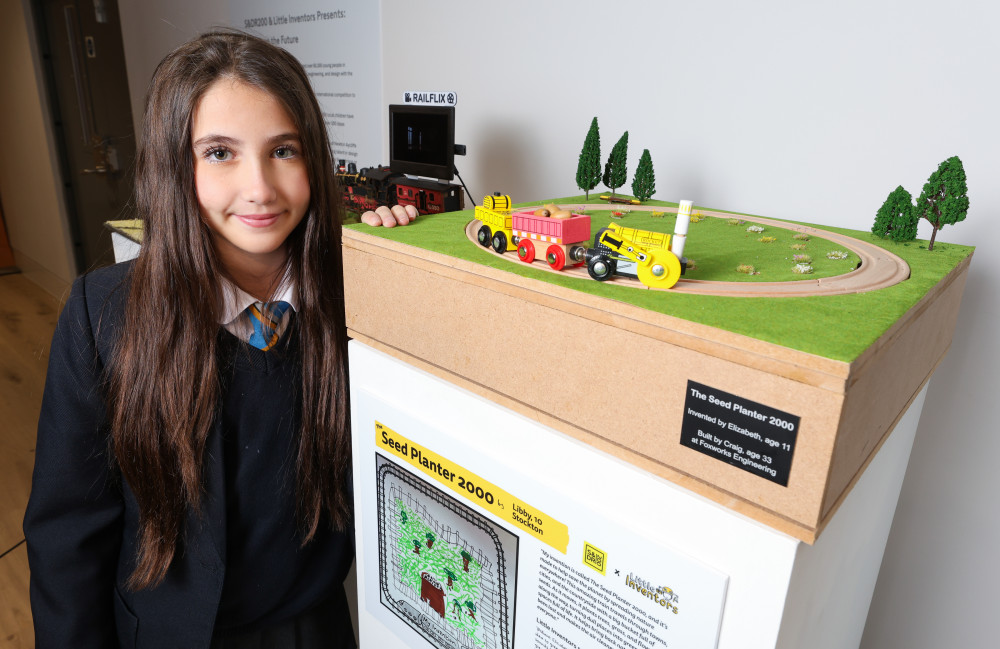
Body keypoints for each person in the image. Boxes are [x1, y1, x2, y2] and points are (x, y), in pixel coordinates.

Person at [23, 31, 416, 649]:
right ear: (175, 167)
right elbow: (67, 536)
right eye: (219, 153)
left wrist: (403, 256)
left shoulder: (357, 297)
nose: (259, 187)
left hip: (311, 628)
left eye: (283, 149)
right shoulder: (103, 315)